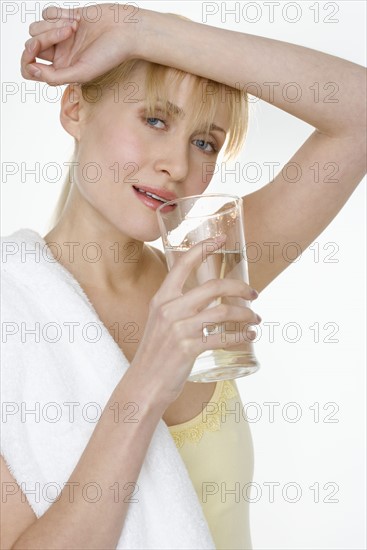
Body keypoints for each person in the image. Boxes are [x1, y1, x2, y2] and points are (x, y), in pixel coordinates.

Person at [1, 3, 365, 550]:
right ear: (74, 107)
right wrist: (151, 376)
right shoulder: (13, 315)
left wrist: (142, 30)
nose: (177, 164)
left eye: (205, 142)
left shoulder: (209, 273)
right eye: (154, 119)